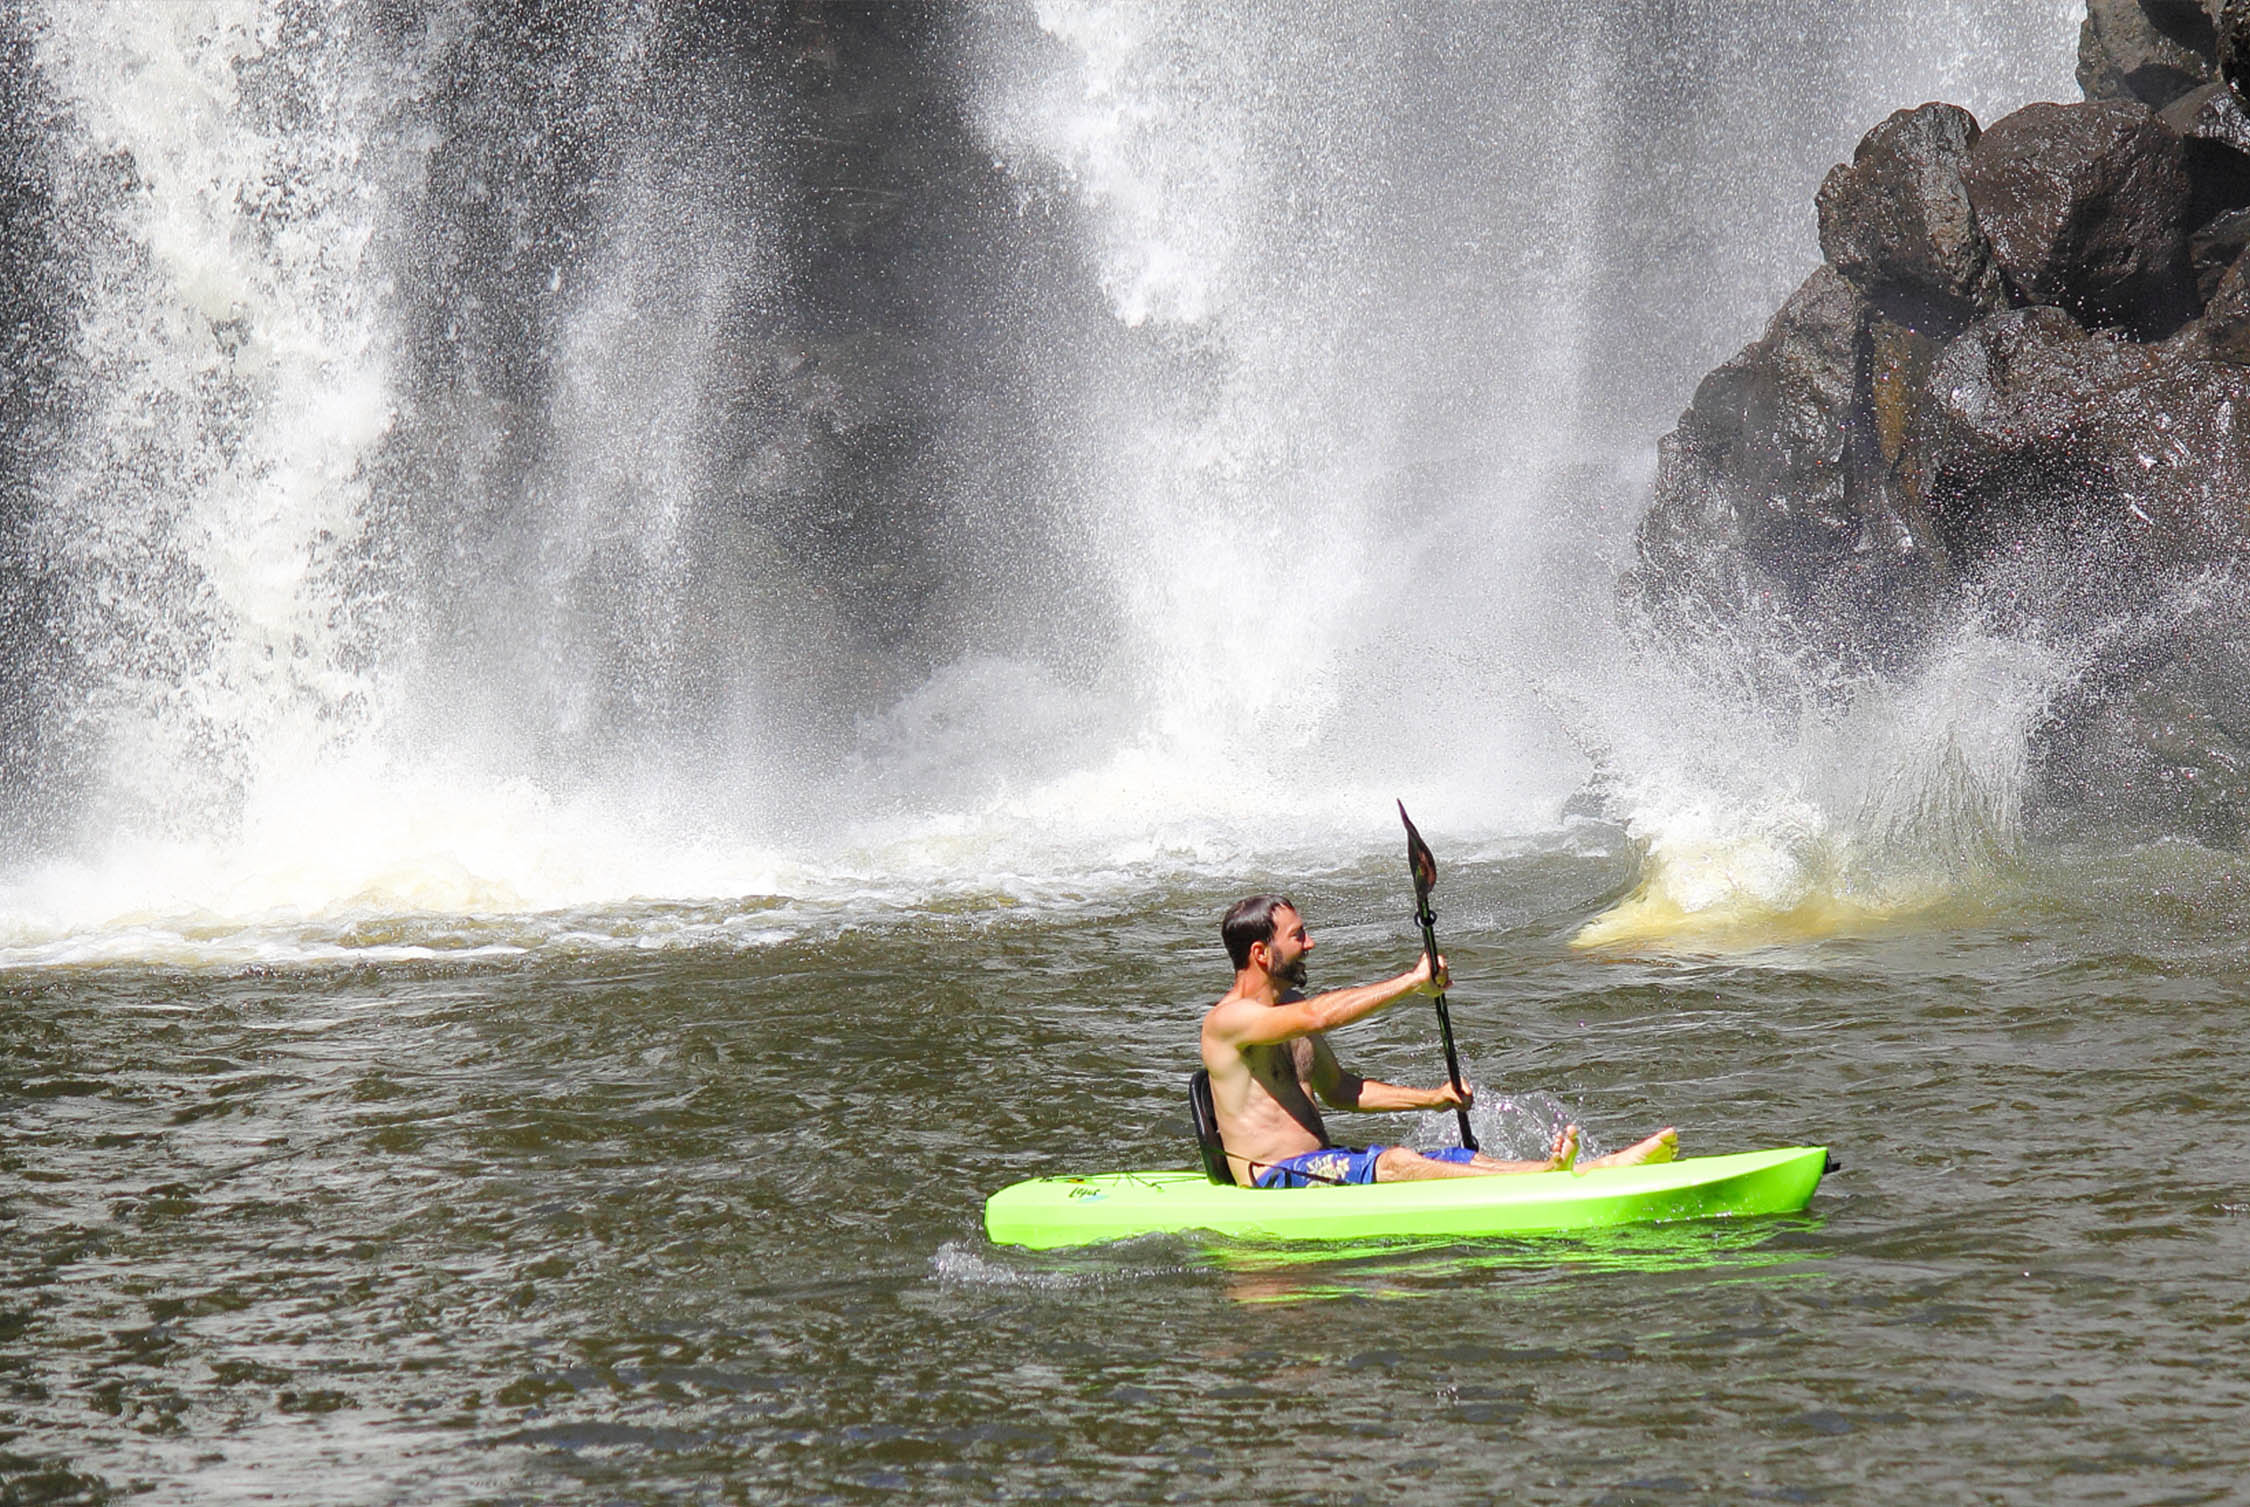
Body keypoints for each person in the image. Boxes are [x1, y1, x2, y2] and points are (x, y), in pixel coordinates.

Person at [1200, 893, 1678, 1188]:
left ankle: (1587, 1170)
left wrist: (1432, 1100)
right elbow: (1320, 1013)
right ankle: (1556, 1179)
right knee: (1399, 1163)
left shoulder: (1289, 1006)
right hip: (1275, 1180)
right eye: (1298, 936)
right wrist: (1411, 982)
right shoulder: (1230, 1022)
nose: (1311, 944)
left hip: (1321, 1167)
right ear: (1261, 953)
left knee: (1461, 1157)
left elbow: (1341, 1089)